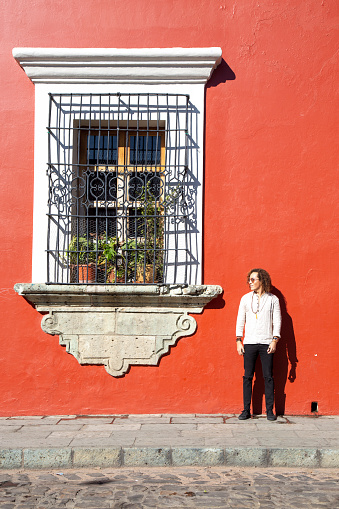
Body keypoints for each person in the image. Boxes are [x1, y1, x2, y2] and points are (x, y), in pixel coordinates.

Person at [236, 268, 281, 421]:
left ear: (262, 280)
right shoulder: (245, 299)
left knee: (268, 377)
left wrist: (275, 340)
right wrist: (238, 340)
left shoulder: (273, 299)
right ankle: (246, 410)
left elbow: (277, 320)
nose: (250, 282)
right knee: (247, 377)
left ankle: (269, 411)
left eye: (253, 279)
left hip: (266, 342)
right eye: (249, 279)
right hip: (249, 343)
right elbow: (240, 320)